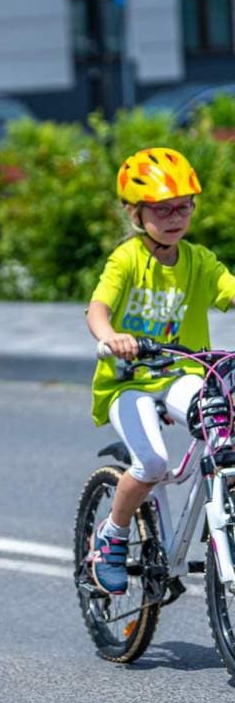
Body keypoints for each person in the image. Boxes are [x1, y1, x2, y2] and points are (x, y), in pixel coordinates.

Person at [86, 147, 235, 595]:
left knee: (221, 425)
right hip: (128, 383)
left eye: (183, 207)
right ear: (135, 212)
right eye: (162, 209)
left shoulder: (199, 261)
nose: (175, 217)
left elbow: (230, 289)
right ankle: (111, 536)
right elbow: (97, 307)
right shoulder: (127, 260)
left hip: (182, 374)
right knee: (152, 461)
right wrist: (111, 336)